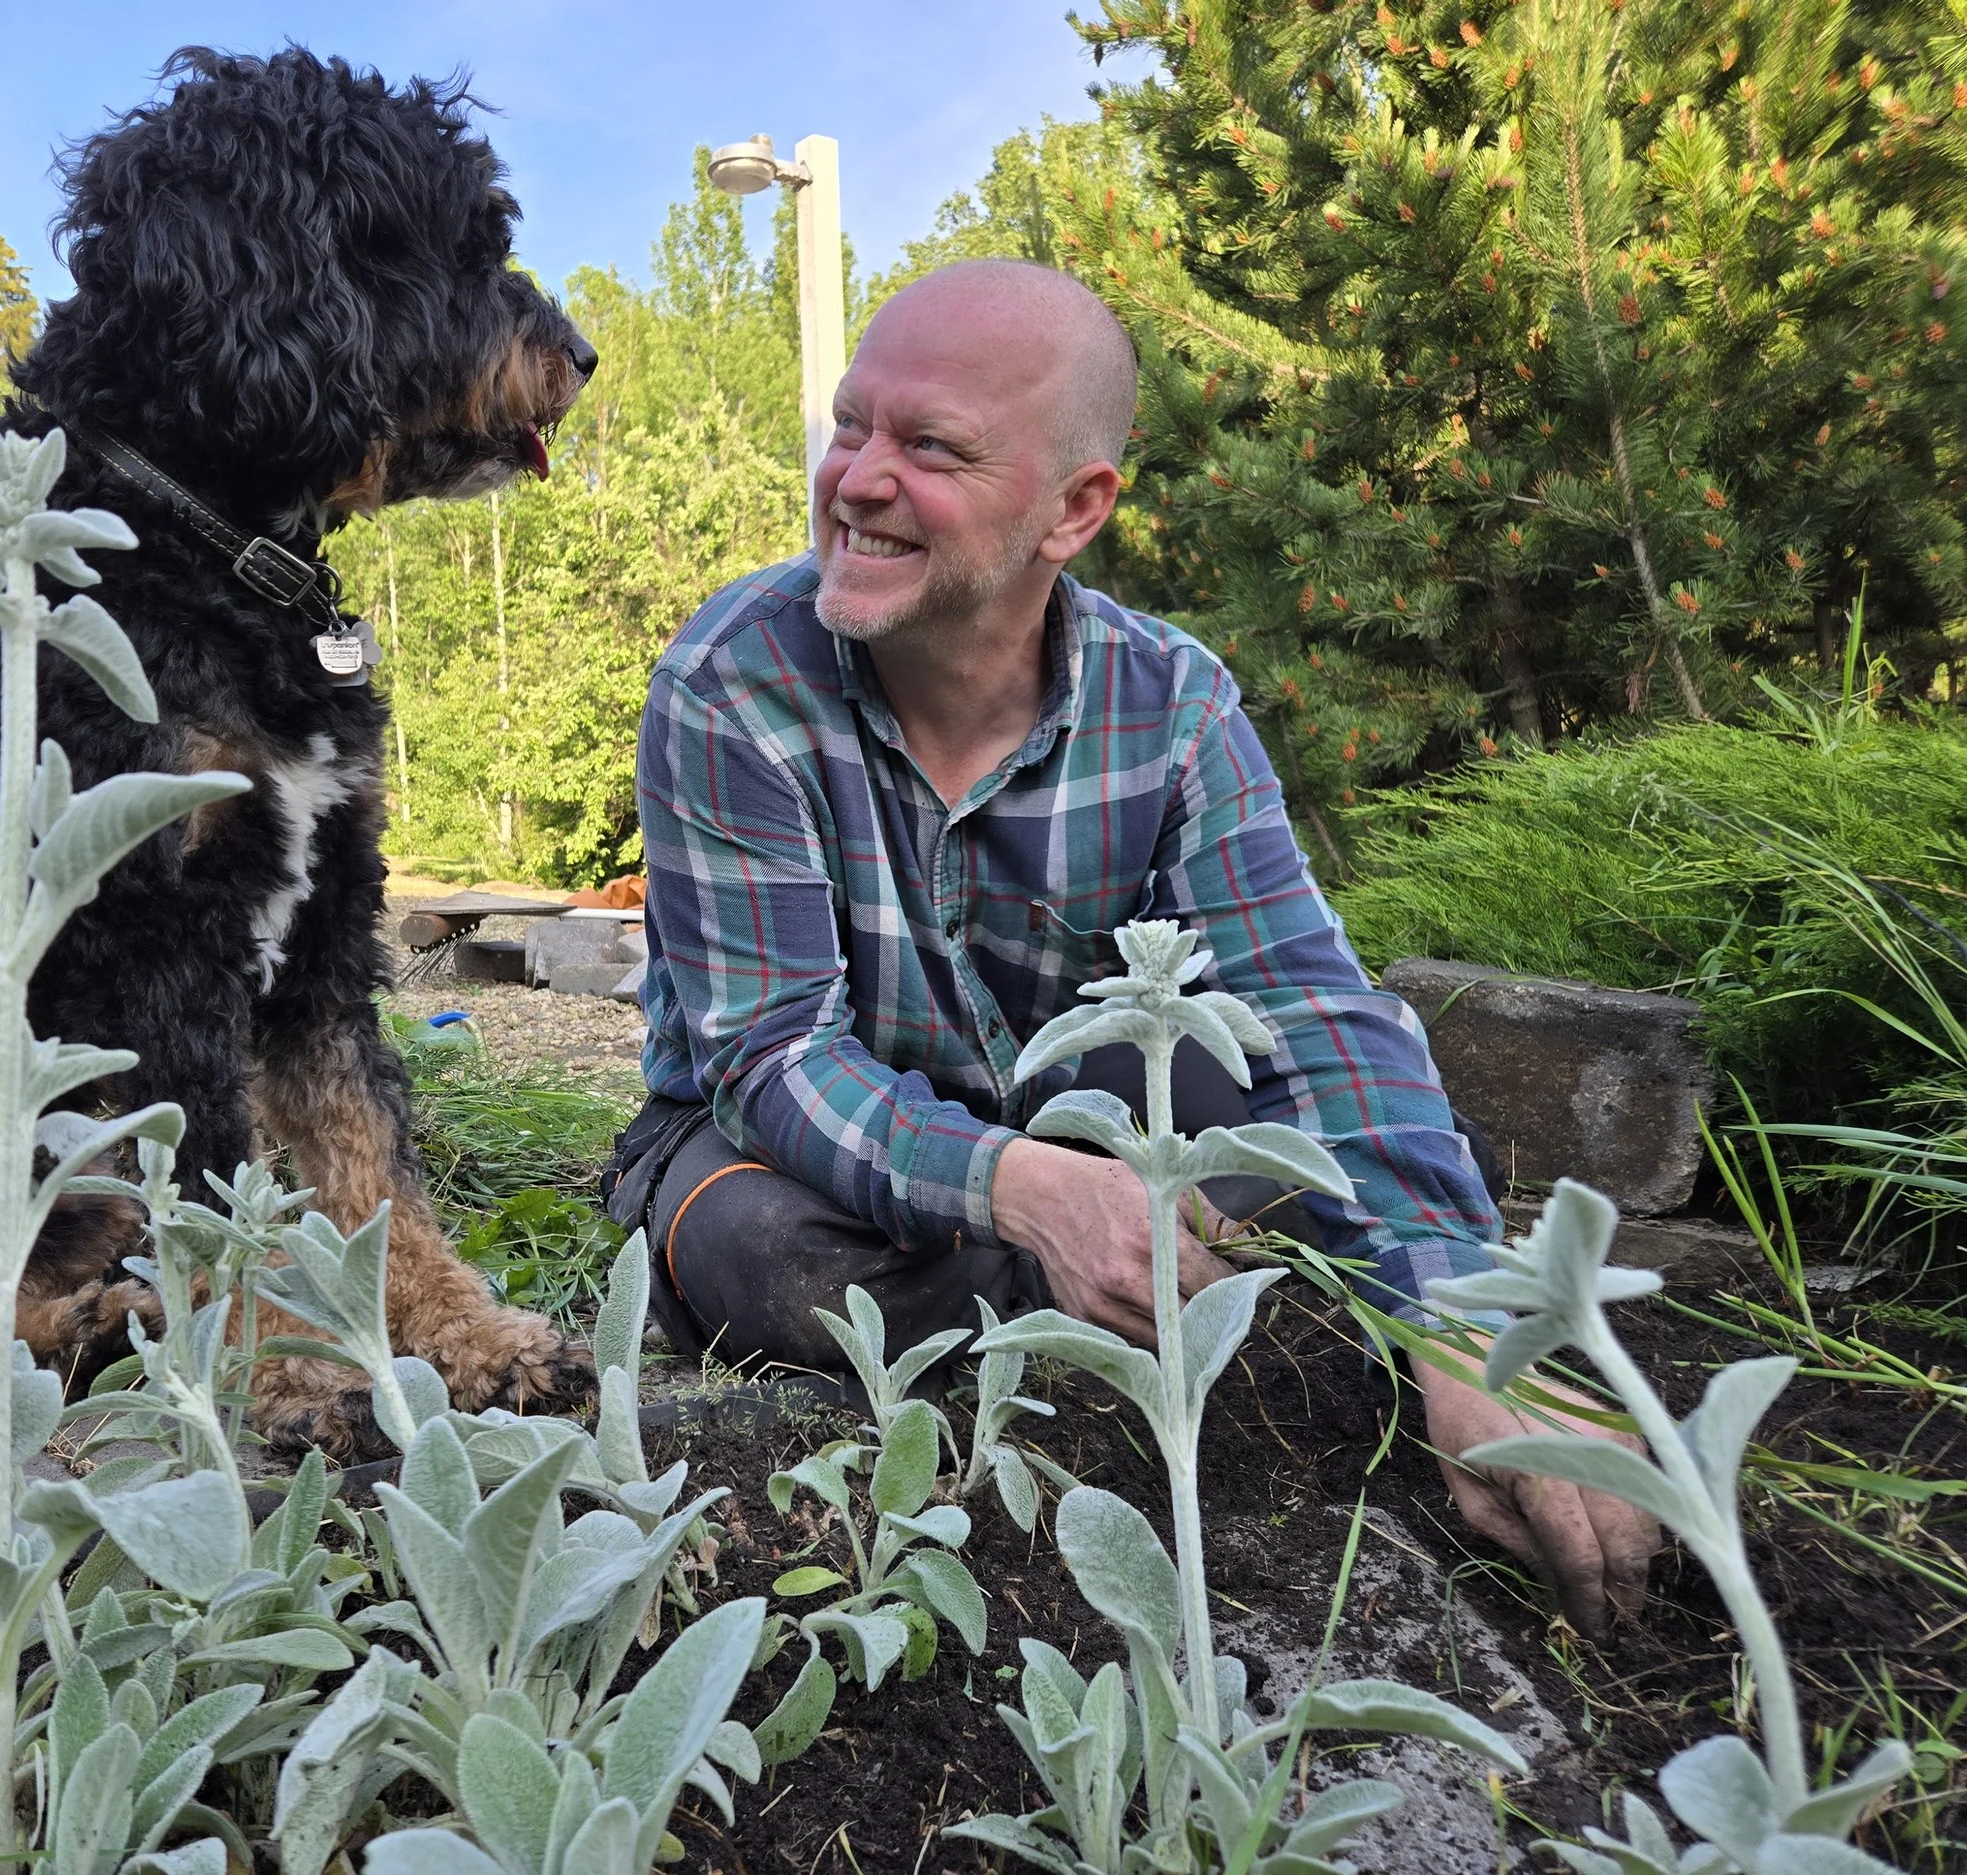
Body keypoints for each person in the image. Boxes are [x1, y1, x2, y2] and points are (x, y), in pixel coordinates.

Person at [603, 259, 1656, 1636]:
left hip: (1064, 1116)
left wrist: (1469, 1320)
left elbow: (1316, 1011)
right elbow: (773, 1051)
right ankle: (1160, 1299)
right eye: (853, 424)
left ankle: (1196, 1296)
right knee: (762, 1248)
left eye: (930, 447)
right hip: (778, 1144)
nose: (856, 479)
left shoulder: (1173, 704)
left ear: (1075, 509)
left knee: (1267, 1125)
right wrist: (1030, 1192)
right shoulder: (731, 683)